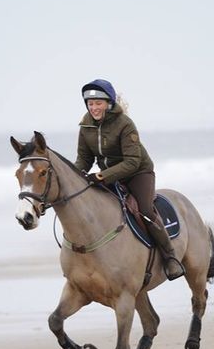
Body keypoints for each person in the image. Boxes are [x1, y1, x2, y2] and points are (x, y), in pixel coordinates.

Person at [74, 78, 184, 280]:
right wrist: (74, 175)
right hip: (108, 177)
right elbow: (84, 159)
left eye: (98, 103)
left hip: (138, 173)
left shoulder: (125, 124)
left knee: (145, 211)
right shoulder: (85, 126)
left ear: (108, 103)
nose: (94, 108)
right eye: (90, 104)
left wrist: (101, 176)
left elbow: (132, 162)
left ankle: (171, 257)